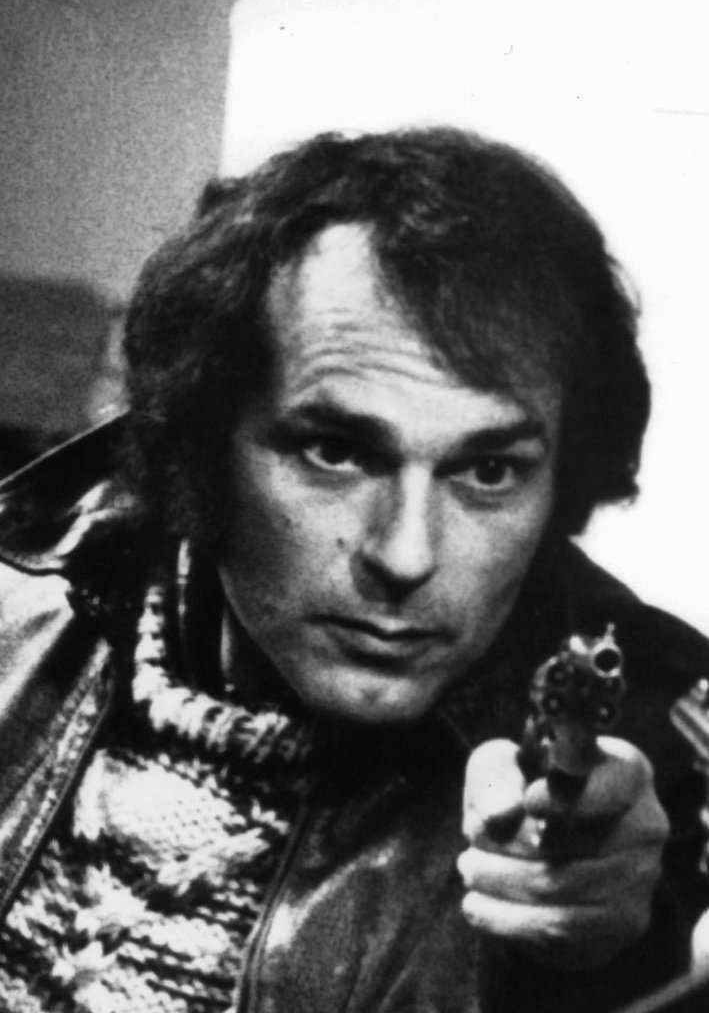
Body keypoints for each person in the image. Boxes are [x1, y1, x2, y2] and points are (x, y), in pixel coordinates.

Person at [0, 127, 707, 1013]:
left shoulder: (659, 744)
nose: (406, 555)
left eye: (488, 470)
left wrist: (611, 955)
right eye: (335, 451)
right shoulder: (20, 604)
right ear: (199, 446)